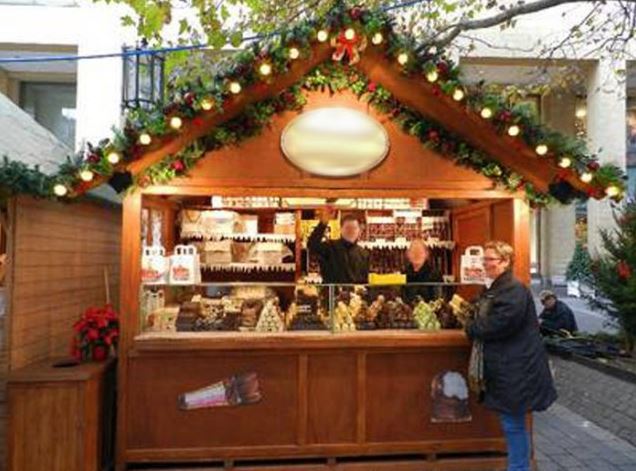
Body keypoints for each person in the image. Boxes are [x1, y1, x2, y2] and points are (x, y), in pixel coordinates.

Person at [464, 241, 557, 471]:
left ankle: (519, 468)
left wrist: (471, 328)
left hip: (517, 368)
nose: (486, 264)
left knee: (513, 423)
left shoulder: (513, 289)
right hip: (511, 366)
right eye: (484, 260)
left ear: (505, 262)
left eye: (490, 260)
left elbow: (499, 324)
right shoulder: (498, 286)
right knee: (512, 422)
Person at [308, 207, 369, 284]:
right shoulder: (330, 247)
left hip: (355, 295)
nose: (351, 231)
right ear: (341, 229)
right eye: (348, 228)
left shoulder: (364, 254)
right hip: (331, 295)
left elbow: (364, 282)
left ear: (359, 231)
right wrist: (323, 223)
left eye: (354, 228)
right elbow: (312, 245)